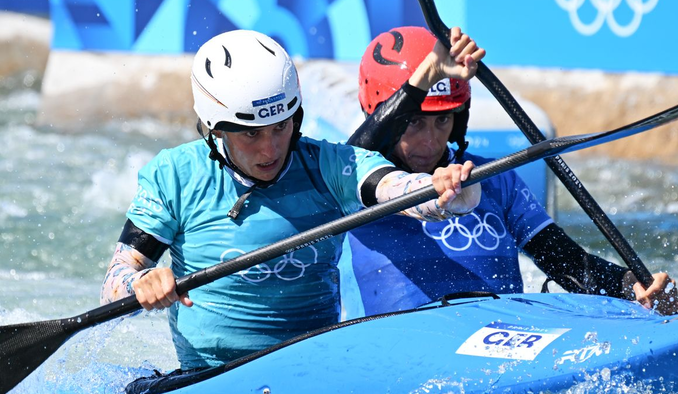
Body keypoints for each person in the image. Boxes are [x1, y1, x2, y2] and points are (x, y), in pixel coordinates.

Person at [100, 29, 481, 372]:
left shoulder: (329, 164)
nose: (271, 149)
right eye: (251, 135)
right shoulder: (174, 175)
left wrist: (442, 188)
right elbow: (113, 285)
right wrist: (142, 283)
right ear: (215, 128)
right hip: (208, 379)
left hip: (311, 373)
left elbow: (395, 188)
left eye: (281, 127)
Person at [343, 25, 678, 319]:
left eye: (442, 120)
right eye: (414, 122)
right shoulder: (344, 181)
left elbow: (564, 260)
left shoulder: (494, 178)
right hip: (396, 349)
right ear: (382, 117)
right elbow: (351, 156)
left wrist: (631, 288)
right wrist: (428, 71)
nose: (430, 140)